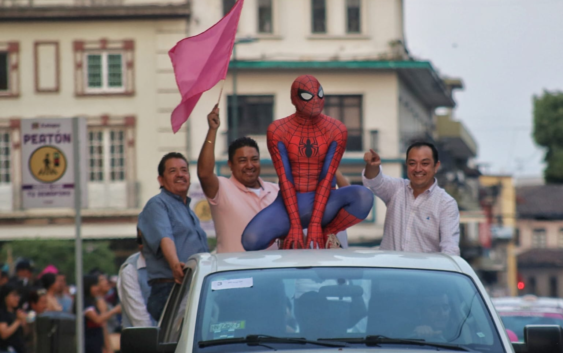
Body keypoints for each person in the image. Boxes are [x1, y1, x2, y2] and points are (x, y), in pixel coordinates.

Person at [242, 75, 374, 250]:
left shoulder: (336, 129)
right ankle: (286, 234)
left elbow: (327, 178)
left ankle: (329, 231)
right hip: (289, 201)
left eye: (319, 94)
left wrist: (316, 225)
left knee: (364, 196)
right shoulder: (278, 130)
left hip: (326, 200)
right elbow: (285, 179)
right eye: (307, 96)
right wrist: (295, 225)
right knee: (251, 239)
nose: (316, 100)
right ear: (294, 99)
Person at [197, 105, 280, 253]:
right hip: (236, 274)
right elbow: (204, 173)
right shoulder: (222, 189)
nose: (249, 165)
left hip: (272, 273)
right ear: (230, 165)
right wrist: (212, 130)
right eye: (242, 160)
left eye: (254, 159)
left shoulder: (276, 190)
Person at [138, 152, 209, 321]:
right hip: (171, 289)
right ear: (161, 180)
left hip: (192, 287)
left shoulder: (187, 209)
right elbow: (165, 237)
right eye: (172, 171)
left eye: (184, 170)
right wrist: (175, 265)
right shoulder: (157, 204)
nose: (180, 175)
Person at [362, 142, 460, 255]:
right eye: (412, 163)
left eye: (425, 163)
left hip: (423, 271)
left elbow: (450, 248)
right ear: (407, 165)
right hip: (389, 269)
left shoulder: (446, 203)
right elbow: (374, 181)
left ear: (436, 166)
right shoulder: (396, 189)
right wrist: (372, 165)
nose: (418, 169)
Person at [117, 229, 154, 328]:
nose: (143, 245)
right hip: (147, 339)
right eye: (140, 241)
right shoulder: (130, 270)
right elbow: (140, 319)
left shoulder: (176, 263)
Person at [76, 275, 121, 353]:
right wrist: (115, 310)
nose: (97, 288)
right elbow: (98, 319)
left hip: (97, 343)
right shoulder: (85, 303)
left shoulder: (93, 302)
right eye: (95, 285)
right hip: (89, 344)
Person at [0, 283, 28, 353]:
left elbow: (23, 334)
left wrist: (24, 322)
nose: (17, 298)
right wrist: (18, 321)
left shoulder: (16, 312)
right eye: (14, 295)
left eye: (18, 295)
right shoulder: (2, 313)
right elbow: (4, 334)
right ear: (5, 296)